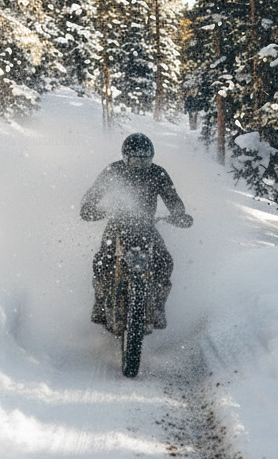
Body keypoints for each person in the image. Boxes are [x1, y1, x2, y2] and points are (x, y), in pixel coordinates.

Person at [80, 133, 193, 329]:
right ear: (125, 157)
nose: (140, 163)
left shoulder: (158, 173)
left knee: (165, 261)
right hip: (117, 224)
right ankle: (100, 302)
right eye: (135, 158)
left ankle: (158, 305)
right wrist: (92, 208)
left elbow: (172, 198)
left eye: (145, 159)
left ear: (152, 157)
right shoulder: (113, 171)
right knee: (101, 260)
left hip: (147, 226)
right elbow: (93, 194)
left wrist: (178, 214)